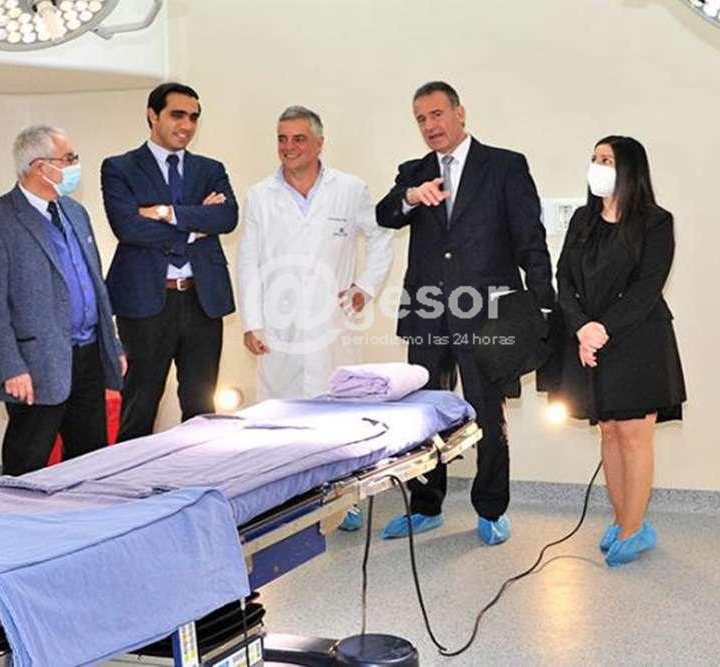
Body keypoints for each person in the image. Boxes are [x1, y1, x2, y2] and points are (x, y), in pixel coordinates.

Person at [375, 81, 554, 546]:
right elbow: (385, 214)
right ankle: (426, 505)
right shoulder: (414, 172)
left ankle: (491, 509)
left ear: (459, 114)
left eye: (436, 114)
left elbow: (530, 238)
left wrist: (542, 303)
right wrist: (412, 196)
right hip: (428, 312)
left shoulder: (505, 166)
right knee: (423, 414)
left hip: (487, 314)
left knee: (487, 414)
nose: (429, 126)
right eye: (420, 119)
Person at [552, 134, 686, 567]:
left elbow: (647, 288)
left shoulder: (656, 222)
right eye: (594, 158)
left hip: (638, 341)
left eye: (606, 159)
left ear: (629, 168)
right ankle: (620, 519)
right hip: (589, 341)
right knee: (608, 431)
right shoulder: (582, 220)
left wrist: (602, 328)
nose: (597, 166)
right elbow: (564, 279)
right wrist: (582, 327)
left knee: (634, 436)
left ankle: (634, 528)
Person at [0, 125, 127, 476]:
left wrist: (112, 344)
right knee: (29, 462)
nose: (75, 166)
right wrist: (11, 366)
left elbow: (95, 284)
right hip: (35, 364)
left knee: (90, 464)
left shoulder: (75, 212)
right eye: (68, 159)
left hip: (87, 356)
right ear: (39, 166)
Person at [101, 82, 238, 439]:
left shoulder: (210, 169)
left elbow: (226, 218)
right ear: (153, 115)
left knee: (201, 407)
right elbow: (128, 227)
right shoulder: (120, 167)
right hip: (145, 302)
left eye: (194, 117)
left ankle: (197, 471)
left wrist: (165, 213)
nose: (187, 125)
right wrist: (194, 227)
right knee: (140, 404)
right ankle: (132, 474)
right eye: (178, 115)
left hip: (202, 300)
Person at [237, 105, 393, 399]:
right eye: (282, 139)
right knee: (280, 414)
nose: (288, 147)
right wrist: (252, 323)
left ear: (319, 144)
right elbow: (248, 263)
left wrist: (366, 286)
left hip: (332, 324)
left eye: (299, 139)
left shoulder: (350, 189)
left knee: (338, 409)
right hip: (279, 326)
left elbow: (380, 236)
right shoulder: (259, 196)